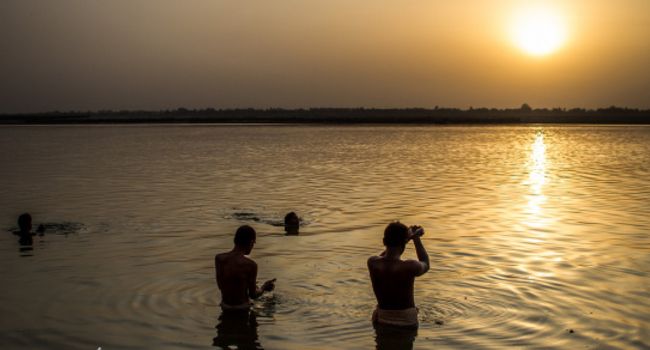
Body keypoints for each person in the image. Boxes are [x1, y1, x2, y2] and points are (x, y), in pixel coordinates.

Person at [367, 222, 430, 328]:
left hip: (382, 320)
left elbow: (383, 257)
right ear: (404, 243)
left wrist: (406, 239)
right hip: (407, 323)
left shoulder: (373, 263)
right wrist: (416, 239)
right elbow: (426, 263)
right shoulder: (410, 266)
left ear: (383, 241)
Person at [215, 225, 276, 310]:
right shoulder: (250, 265)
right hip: (242, 309)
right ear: (251, 243)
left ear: (235, 240)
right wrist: (264, 287)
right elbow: (253, 295)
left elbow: (221, 286)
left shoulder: (219, 259)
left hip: (225, 307)